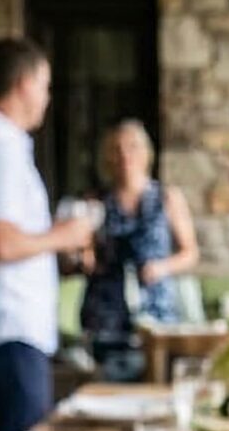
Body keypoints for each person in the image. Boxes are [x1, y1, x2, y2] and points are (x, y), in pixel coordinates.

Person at [0, 37, 97, 431]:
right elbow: (1, 242)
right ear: (26, 84)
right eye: (46, 86)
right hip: (4, 336)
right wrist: (64, 234)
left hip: (4, 332)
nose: (47, 97)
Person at [81, 119, 201, 381]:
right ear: (108, 157)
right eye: (117, 148)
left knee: (159, 380)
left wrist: (162, 267)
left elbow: (190, 253)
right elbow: (84, 253)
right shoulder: (96, 201)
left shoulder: (167, 198)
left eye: (133, 147)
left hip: (157, 311)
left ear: (146, 153)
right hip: (107, 315)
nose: (125, 155)